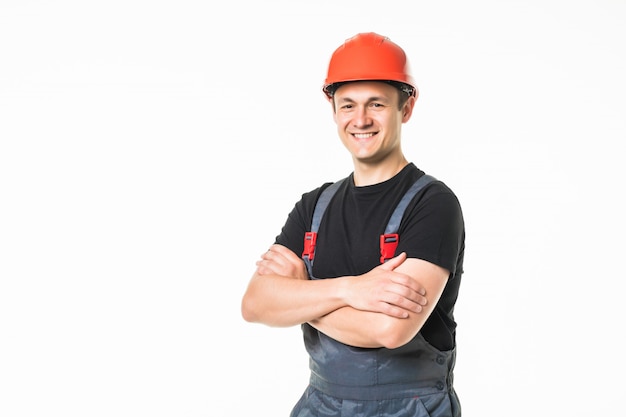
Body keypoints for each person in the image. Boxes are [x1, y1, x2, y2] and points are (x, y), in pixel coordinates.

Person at [241, 32, 465, 417]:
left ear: (406, 108)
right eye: (348, 105)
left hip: (410, 407)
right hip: (319, 404)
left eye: (376, 104)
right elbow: (255, 304)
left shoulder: (434, 204)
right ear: (333, 110)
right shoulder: (314, 206)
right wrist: (352, 289)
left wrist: (299, 294)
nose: (360, 120)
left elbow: (389, 330)